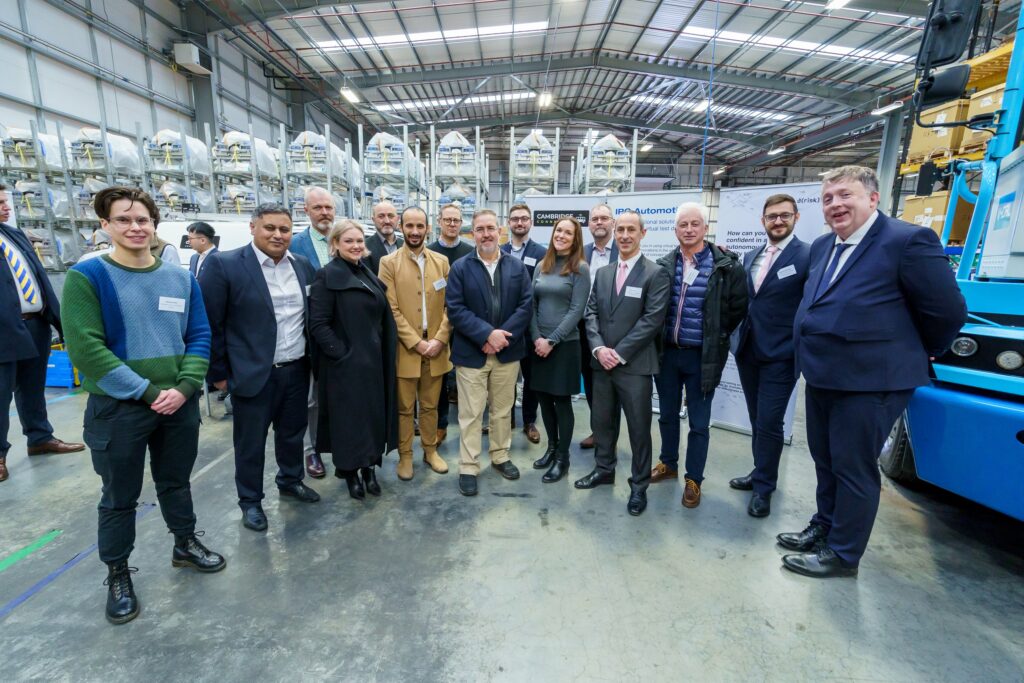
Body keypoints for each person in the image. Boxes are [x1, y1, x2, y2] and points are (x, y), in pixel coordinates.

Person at [780, 166, 966, 578]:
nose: (835, 205)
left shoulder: (906, 241)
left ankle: (843, 555)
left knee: (853, 467)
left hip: (871, 382)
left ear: (872, 198)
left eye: (845, 195)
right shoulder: (826, 245)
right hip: (825, 375)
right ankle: (824, 526)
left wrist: (912, 354)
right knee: (826, 460)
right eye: (828, 199)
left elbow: (948, 312)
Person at [62, 187, 224, 625]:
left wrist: (187, 385)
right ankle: (118, 572)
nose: (135, 228)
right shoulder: (88, 276)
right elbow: (86, 349)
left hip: (179, 402)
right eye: (123, 220)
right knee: (119, 496)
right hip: (121, 408)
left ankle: (184, 544)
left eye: (142, 220)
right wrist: (150, 393)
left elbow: (199, 334)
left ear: (154, 224)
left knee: (176, 481)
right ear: (105, 226)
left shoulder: (179, 278)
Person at [199, 203, 321, 533]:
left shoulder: (303, 266)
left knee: (292, 434)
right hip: (253, 374)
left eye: (284, 229)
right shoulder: (224, 266)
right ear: (253, 227)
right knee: (250, 442)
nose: (278, 235)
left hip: (295, 368)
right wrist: (219, 376)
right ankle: (251, 501)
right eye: (270, 228)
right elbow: (211, 324)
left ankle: (290, 480)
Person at [652, 203, 747, 509]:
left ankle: (694, 479)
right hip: (667, 354)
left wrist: (714, 337)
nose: (689, 229)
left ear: (705, 228)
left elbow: (736, 309)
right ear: (676, 229)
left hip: (701, 358)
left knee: (699, 423)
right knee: (666, 415)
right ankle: (668, 463)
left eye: (695, 224)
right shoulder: (665, 264)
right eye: (683, 225)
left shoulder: (726, 266)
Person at [575, 211, 670, 516]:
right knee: (602, 422)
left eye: (632, 230)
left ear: (643, 233)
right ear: (614, 233)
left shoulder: (656, 273)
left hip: (635, 366)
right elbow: (590, 313)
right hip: (602, 364)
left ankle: (639, 487)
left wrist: (619, 353)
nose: (625, 235)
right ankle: (604, 470)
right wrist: (599, 348)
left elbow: (652, 320)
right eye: (621, 230)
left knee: (639, 429)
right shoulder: (603, 273)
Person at [729, 194, 811, 518]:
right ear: (762, 221)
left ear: (795, 217)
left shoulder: (807, 255)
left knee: (770, 422)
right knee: (756, 419)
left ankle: (765, 488)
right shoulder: (752, 255)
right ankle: (758, 471)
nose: (778, 221)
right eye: (772, 216)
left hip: (782, 354)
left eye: (784, 216)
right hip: (748, 350)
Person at [0, 184, 84, 483]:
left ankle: (39, 438)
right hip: (3, 328)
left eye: (5, 202)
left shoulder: (13, 235)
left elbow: (36, 277)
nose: (6, 207)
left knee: (33, 386)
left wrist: (56, 318)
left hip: (34, 323)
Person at [308, 219, 398, 499]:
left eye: (359, 241)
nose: (356, 246)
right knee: (349, 423)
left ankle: (369, 467)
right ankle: (350, 474)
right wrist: (341, 354)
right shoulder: (327, 275)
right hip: (345, 368)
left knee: (371, 418)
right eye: (349, 241)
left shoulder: (366, 272)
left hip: (373, 364)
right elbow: (318, 324)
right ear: (335, 244)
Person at [446, 209, 532, 497]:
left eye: (491, 228)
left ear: (500, 231)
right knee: (470, 414)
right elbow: (455, 309)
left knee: (502, 410)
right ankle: (469, 466)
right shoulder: (460, 267)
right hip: (472, 354)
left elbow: (525, 305)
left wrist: (499, 338)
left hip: (507, 353)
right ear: (473, 233)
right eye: (480, 229)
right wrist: (486, 334)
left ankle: (500, 456)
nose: (486, 234)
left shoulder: (516, 267)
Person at [378, 207, 451, 481]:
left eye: (420, 226)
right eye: (409, 225)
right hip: (405, 349)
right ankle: (405, 455)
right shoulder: (389, 263)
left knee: (431, 406)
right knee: (405, 407)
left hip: (437, 348)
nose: (415, 231)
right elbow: (390, 308)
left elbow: (450, 306)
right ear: (401, 226)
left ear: (428, 227)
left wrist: (439, 339)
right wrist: (416, 343)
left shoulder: (442, 262)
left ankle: (430, 451)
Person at [528, 217, 590, 483]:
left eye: (568, 232)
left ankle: (563, 458)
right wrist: (536, 338)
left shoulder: (580, 269)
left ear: (575, 239)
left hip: (564, 347)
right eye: (559, 231)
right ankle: (551, 449)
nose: (562, 235)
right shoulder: (543, 265)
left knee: (561, 402)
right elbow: (530, 305)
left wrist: (550, 340)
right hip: (538, 345)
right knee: (542, 399)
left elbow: (577, 311)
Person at [288, 186, 337, 479]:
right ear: (306, 211)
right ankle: (311, 451)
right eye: (318, 208)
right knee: (310, 398)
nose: (324, 213)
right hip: (308, 334)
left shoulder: (347, 240)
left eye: (328, 207)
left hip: (342, 335)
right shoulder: (295, 245)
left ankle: (337, 443)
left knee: (338, 395)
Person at [500, 203, 546, 443]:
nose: (519, 223)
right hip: (503, 326)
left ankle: (529, 420)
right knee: (504, 376)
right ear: (509, 222)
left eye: (524, 219)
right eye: (515, 219)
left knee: (532, 377)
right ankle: (505, 418)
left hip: (530, 326)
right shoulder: (498, 251)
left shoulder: (542, 253)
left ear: (531, 223)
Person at [428, 203, 474, 442]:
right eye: (448, 220)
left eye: (456, 220)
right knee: (440, 376)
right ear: (439, 222)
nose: (452, 224)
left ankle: (470, 424)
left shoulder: (470, 252)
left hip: (465, 323)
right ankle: (441, 423)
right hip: (439, 324)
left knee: (466, 375)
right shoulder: (428, 251)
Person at [578, 203, 618, 449]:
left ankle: (610, 437)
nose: (599, 223)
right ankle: (598, 431)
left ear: (612, 223)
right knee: (592, 383)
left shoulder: (623, 251)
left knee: (614, 386)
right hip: (584, 330)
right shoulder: (581, 253)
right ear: (589, 225)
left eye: (604, 218)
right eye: (595, 219)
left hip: (614, 330)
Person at [363, 200, 404, 275]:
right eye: (381, 216)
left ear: (398, 219)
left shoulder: (405, 245)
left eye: (390, 216)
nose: (387, 221)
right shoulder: (364, 247)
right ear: (373, 220)